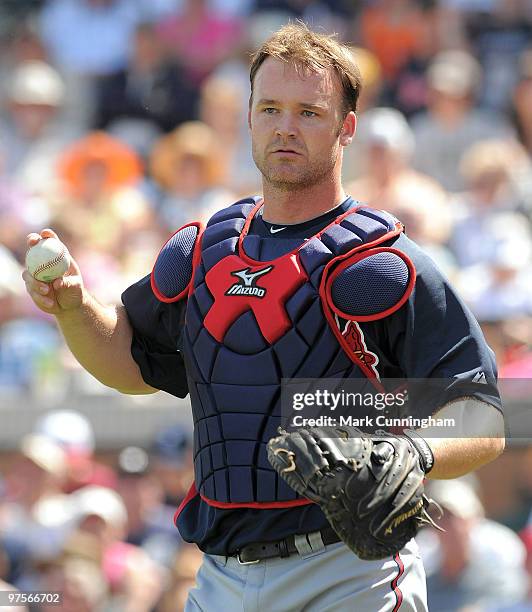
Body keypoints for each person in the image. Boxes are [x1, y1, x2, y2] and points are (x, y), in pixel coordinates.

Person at [23, 23, 505, 611]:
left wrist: (415, 454)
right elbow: (127, 361)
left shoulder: (385, 263)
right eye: (270, 107)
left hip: (349, 572)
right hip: (220, 575)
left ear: (346, 127)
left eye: (308, 112)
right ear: (249, 117)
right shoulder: (203, 251)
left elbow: (481, 416)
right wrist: (74, 309)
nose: (285, 126)